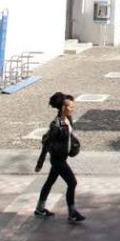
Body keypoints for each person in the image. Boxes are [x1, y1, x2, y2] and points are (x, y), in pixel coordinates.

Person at [34, 92, 86, 223]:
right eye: (70, 107)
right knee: (72, 183)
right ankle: (72, 213)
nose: (73, 109)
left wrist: (74, 145)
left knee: (50, 182)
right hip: (58, 160)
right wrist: (40, 162)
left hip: (62, 158)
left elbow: (68, 136)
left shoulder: (68, 120)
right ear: (63, 108)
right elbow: (46, 143)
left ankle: (40, 208)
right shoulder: (56, 125)